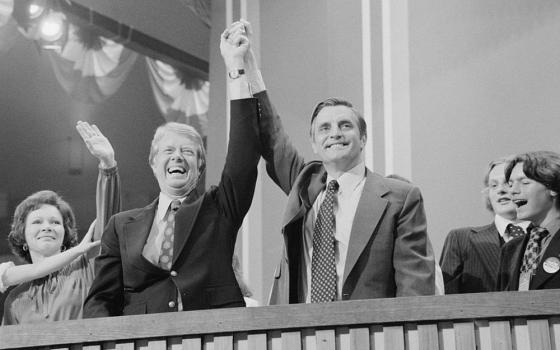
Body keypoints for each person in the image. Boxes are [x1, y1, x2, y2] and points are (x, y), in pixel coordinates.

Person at [224, 20, 436, 304]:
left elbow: (415, 286)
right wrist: (246, 66)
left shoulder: (400, 197)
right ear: (314, 143)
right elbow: (271, 136)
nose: (335, 133)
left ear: (363, 138)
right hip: (303, 333)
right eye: (324, 128)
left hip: (370, 335)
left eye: (345, 125)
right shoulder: (305, 184)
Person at [82, 30, 261, 317]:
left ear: (200, 166)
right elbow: (100, 300)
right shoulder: (121, 226)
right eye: (168, 151)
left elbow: (244, 153)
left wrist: (237, 70)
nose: (177, 156)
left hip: (210, 336)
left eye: (187, 152)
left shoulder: (219, 208)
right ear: (153, 163)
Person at [2, 121, 121, 324]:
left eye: (55, 222)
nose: (47, 226)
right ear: (22, 237)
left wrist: (108, 166)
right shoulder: (14, 298)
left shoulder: (86, 267)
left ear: (65, 235)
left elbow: (108, 221)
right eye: (37, 221)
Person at [440, 158, 530, 293]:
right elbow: (446, 300)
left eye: (508, 183)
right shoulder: (461, 239)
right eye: (493, 185)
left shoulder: (549, 238)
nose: (500, 190)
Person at [497, 151, 560, 291]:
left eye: (524, 182)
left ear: (553, 188)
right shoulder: (510, 249)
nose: (512, 191)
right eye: (511, 184)